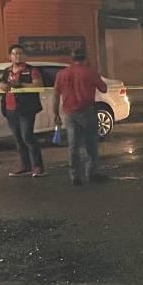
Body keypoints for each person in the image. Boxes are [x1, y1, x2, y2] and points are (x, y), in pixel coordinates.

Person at [52, 48, 108, 186]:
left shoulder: (62, 74)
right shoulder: (90, 72)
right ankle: (91, 173)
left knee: (73, 145)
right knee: (91, 144)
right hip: (87, 111)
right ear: (85, 58)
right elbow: (103, 88)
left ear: (71, 59)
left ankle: (75, 176)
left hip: (69, 113)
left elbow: (55, 94)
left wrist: (56, 113)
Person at [0, 44, 46, 176]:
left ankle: (37, 166)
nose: (17, 56)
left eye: (19, 53)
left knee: (27, 137)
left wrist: (21, 84)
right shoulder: (7, 71)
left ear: (24, 55)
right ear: (10, 56)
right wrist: (3, 86)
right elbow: (1, 84)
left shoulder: (31, 70)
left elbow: (38, 84)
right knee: (18, 139)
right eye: (14, 54)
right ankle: (25, 166)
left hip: (26, 109)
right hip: (10, 109)